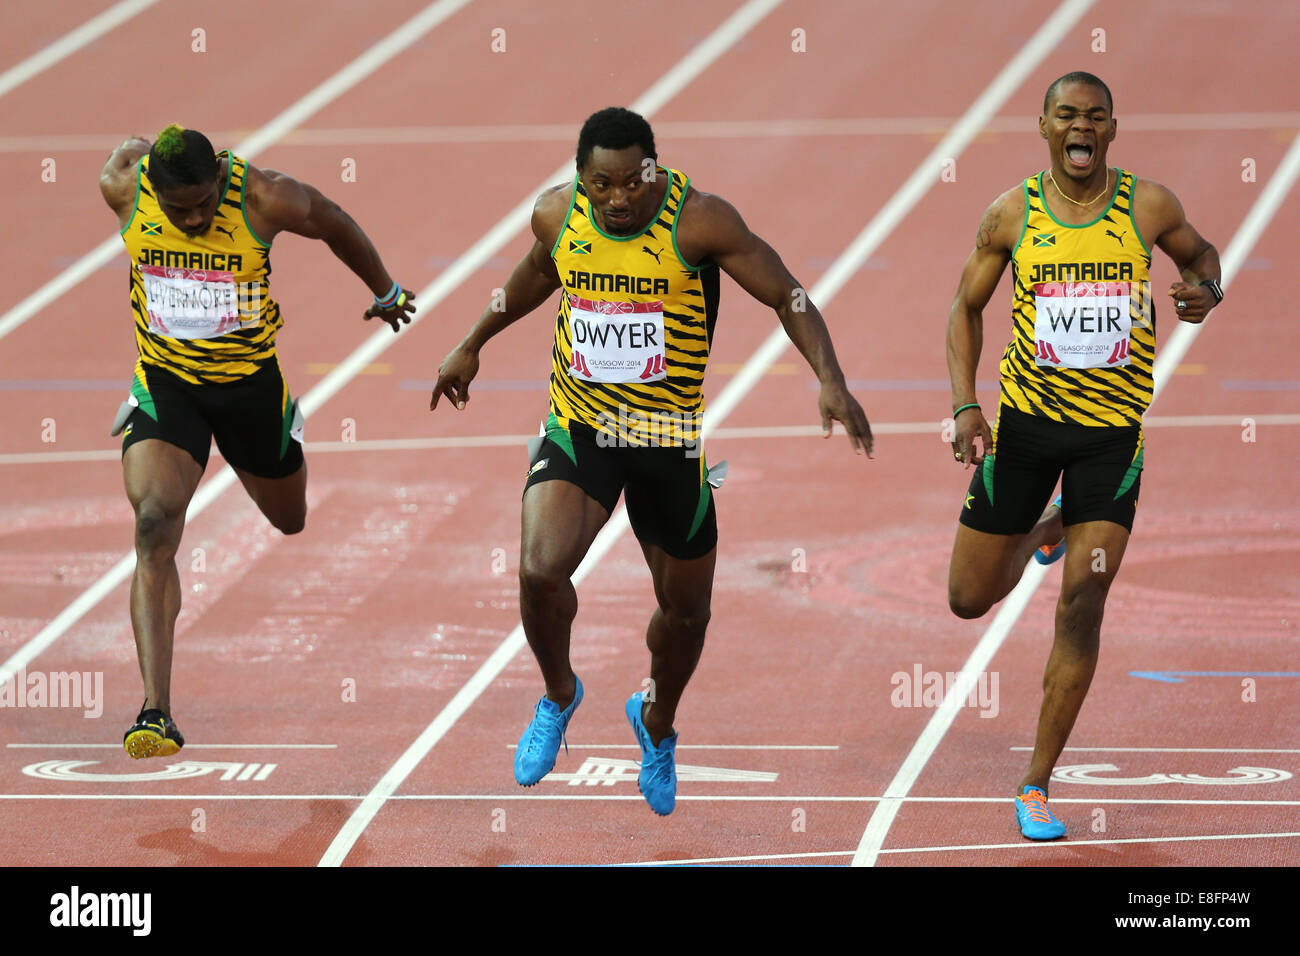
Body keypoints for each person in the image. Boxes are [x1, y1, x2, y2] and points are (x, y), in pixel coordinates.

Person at [432, 107, 871, 814]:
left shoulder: (700, 222)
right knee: (539, 569)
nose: (618, 199)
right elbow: (538, 274)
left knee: (686, 617)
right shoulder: (557, 215)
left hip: (667, 441)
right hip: (582, 430)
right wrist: (473, 341)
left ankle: (657, 721)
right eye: (601, 184)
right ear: (581, 179)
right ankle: (559, 694)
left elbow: (787, 293)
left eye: (632, 182)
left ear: (653, 171)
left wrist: (830, 378)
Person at [944, 73, 1223, 839]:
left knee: (1082, 602)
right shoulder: (1011, 214)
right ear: (1044, 127)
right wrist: (967, 404)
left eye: (1095, 117)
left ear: (1111, 130)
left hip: (1111, 440)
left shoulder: (1148, 206)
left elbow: (1203, 260)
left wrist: (1207, 291)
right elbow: (966, 308)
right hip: (1026, 432)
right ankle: (1044, 527)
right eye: (1067, 115)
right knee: (969, 599)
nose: (1081, 127)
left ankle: (1035, 784)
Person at [99, 124, 416, 758]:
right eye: (176, 207)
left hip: (249, 391)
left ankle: (281, 429)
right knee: (155, 522)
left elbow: (332, 220)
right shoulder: (124, 188)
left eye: (202, 204)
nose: (191, 219)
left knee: (290, 519)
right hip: (168, 387)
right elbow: (131, 146)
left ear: (219, 176)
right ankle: (155, 711)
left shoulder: (264, 198)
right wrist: (140, 138)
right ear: (149, 188)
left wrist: (384, 292)